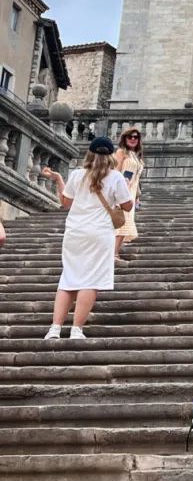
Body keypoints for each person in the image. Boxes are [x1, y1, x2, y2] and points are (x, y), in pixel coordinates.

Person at [40, 139, 134, 340]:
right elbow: (127, 206)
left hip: (75, 232)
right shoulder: (116, 177)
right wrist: (126, 186)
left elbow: (65, 202)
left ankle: (55, 328)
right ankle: (76, 329)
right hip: (100, 233)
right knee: (90, 280)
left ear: (89, 154)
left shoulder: (77, 175)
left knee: (68, 278)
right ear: (110, 156)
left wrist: (58, 179)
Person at [112, 128, 144, 265]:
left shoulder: (136, 156)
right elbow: (115, 171)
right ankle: (113, 253)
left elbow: (136, 178)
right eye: (130, 137)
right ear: (124, 139)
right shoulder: (121, 152)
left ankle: (115, 252)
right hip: (121, 191)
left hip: (130, 193)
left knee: (126, 222)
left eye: (135, 137)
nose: (133, 139)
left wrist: (137, 195)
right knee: (122, 222)